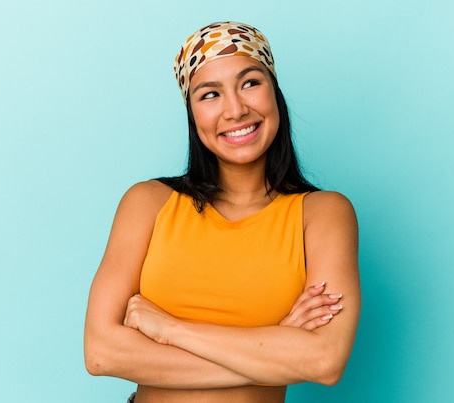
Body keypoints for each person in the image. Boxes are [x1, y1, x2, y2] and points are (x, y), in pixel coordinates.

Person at [84, 21, 360, 403]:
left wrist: (170, 330)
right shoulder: (148, 202)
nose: (235, 109)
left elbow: (324, 360)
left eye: (250, 83)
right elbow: (102, 353)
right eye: (210, 94)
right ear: (192, 114)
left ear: (275, 94)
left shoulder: (323, 214)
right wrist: (275, 352)